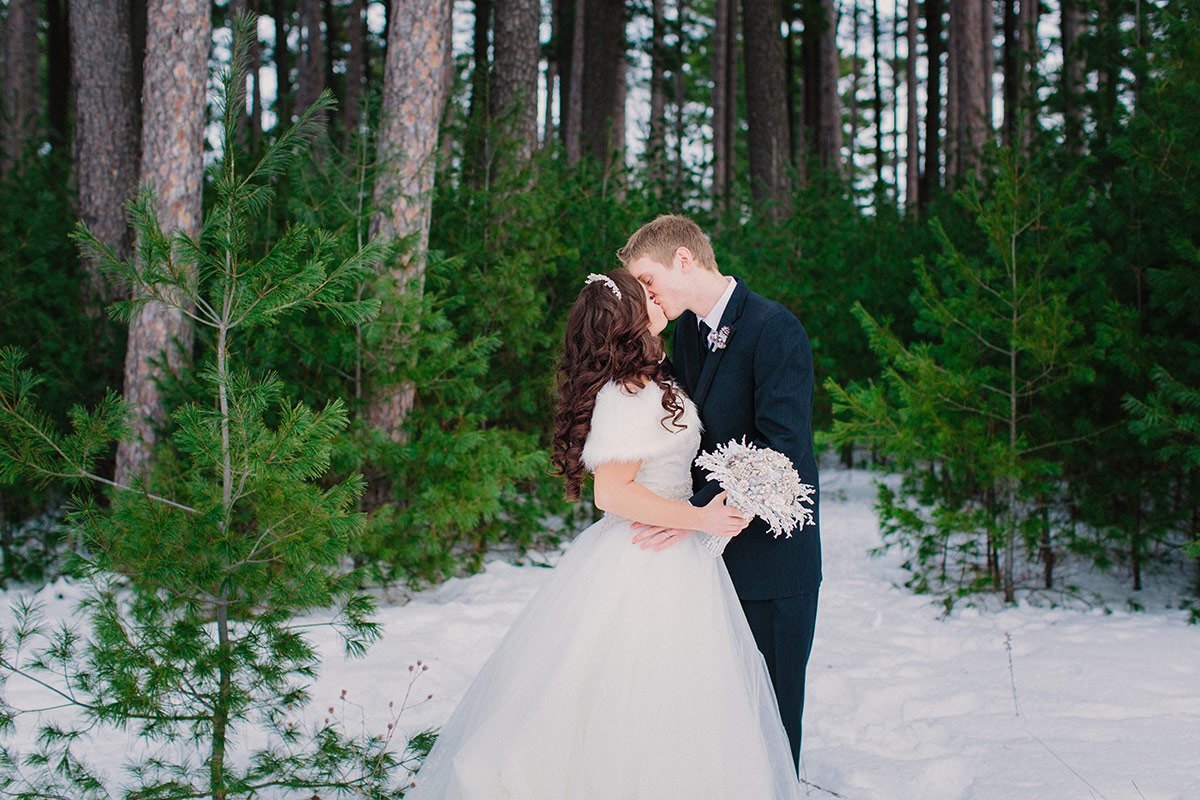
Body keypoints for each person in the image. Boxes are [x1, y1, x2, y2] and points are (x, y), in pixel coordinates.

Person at [403, 267, 803, 799]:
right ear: (630, 319)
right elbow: (611, 493)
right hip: (645, 558)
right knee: (628, 700)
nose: (657, 297)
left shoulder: (655, 376)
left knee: (681, 701)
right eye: (646, 295)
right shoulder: (628, 392)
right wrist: (701, 519)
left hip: (678, 557)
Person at [619, 213, 821, 772]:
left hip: (772, 567)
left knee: (772, 728)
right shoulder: (686, 333)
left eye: (649, 279)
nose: (646, 294)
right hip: (704, 566)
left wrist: (697, 512)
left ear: (684, 259)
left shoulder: (774, 329)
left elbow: (784, 453)